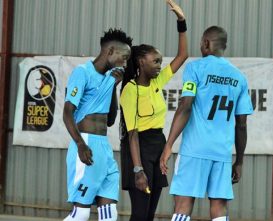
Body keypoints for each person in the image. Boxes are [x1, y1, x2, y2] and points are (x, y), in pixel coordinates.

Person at [160, 26, 254, 221]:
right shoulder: (239, 77)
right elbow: (242, 124)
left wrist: (168, 144)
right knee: (219, 206)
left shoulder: (195, 68)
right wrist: (239, 161)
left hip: (194, 149)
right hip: (222, 153)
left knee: (183, 204)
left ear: (205, 44)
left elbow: (186, 105)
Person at [119, 1, 188, 220]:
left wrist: (181, 22)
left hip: (157, 146)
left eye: (160, 61)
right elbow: (132, 134)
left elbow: (182, 56)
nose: (160, 65)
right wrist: (138, 170)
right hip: (138, 150)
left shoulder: (157, 83)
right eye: (155, 61)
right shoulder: (130, 91)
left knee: (149, 214)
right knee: (140, 214)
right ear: (141, 61)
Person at [63, 28, 132, 221]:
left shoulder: (110, 78)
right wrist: (80, 144)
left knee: (109, 214)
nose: (125, 63)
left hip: (103, 146)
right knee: (81, 213)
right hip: (86, 143)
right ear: (110, 51)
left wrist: (113, 87)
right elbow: (67, 113)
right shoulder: (82, 72)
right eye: (123, 57)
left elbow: (110, 120)